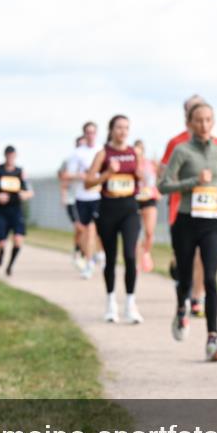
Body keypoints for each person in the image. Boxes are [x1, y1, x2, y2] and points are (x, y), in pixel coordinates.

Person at [158, 102, 217, 361]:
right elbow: (164, 186)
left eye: (208, 120)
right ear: (190, 123)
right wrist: (194, 181)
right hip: (185, 221)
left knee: (211, 279)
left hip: (211, 221)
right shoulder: (182, 151)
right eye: (199, 120)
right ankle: (181, 309)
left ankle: (212, 339)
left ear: (213, 122)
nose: (204, 125)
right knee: (184, 277)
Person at [160, 94, 217, 318]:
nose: (202, 121)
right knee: (185, 257)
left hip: (208, 211)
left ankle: (197, 298)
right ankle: (182, 281)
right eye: (194, 110)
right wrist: (191, 182)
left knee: (202, 256)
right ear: (187, 117)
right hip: (181, 208)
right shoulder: (176, 143)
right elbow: (164, 176)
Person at [85, 115, 145, 324]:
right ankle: (111, 302)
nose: (123, 131)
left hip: (129, 209)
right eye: (119, 127)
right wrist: (107, 174)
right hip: (108, 209)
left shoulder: (134, 152)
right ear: (111, 130)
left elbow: (144, 179)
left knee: (130, 256)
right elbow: (88, 183)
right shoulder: (103, 154)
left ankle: (130, 303)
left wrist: (140, 175)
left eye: (126, 128)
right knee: (110, 258)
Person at [63, 123, 104, 279]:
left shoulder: (101, 151)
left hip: (98, 196)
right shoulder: (77, 153)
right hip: (82, 197)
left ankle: (97, 256)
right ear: (84, 134)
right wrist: (80, 176)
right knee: (86, 231)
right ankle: (89, 262)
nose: (90, 135)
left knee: (95, 230)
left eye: (93, 132)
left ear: (96, 133)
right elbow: (67, 174)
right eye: (88, 132)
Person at [0, 146, 34, 276]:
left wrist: (25, 195)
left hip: (16, 209)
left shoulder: (20, 172)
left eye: (12, 155)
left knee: (18, 239)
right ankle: (1, 253)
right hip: (0, 210)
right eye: (8, 155)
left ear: (15, 156)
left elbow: (30, 192)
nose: (10, 158)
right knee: (2, 243)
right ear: (5, 156)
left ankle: (10, 265)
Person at [59, 134, 87, 267]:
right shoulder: (69, 160)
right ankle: (79, 251)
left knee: (86, 229)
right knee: (79, 227)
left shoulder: (91, 158)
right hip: (72, 198)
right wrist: (63, 195)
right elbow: (63, 177)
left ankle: (82, 251)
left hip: (87, 197)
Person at [134, 139, 161, 274]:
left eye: (141, 149)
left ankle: (146, 253)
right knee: (135, 233)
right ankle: (136, 263)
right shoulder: (131, 165)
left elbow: (159, 178)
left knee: (149, 232)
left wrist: (159, 169)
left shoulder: (150, 164)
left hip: (150, 199)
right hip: (135, 200)